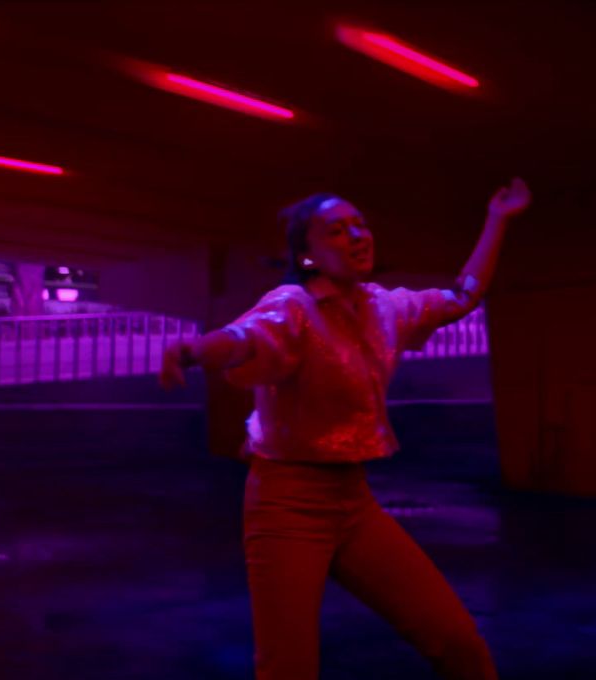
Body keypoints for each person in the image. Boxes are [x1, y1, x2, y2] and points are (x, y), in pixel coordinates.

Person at [159, 179, 531, 679]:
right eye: (336, 230)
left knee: (458, 642)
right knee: (287, 668)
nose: (357, 235)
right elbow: (244, 338)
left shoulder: (385, 306)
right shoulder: (294, 306)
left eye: (360, 225)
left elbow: (462, 296)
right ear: (307, 255)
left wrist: (497, 219)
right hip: (286, 504)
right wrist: (192, 351)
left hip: (352, 502)